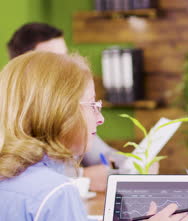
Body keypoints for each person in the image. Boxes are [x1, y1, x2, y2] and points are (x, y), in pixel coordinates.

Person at [0, 51, 188, 221]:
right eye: (93, 106)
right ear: (60, 111)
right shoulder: (56, 194)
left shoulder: (17, 182)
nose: (100, 118)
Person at [7, 22, 136, 192]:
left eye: (65, 56)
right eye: (54, 59)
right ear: (26, 64)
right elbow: (20, 176)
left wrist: (135, 165)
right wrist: (83, 176)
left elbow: (103, 155)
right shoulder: (10, 119)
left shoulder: (74, 113)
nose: (67, 65)